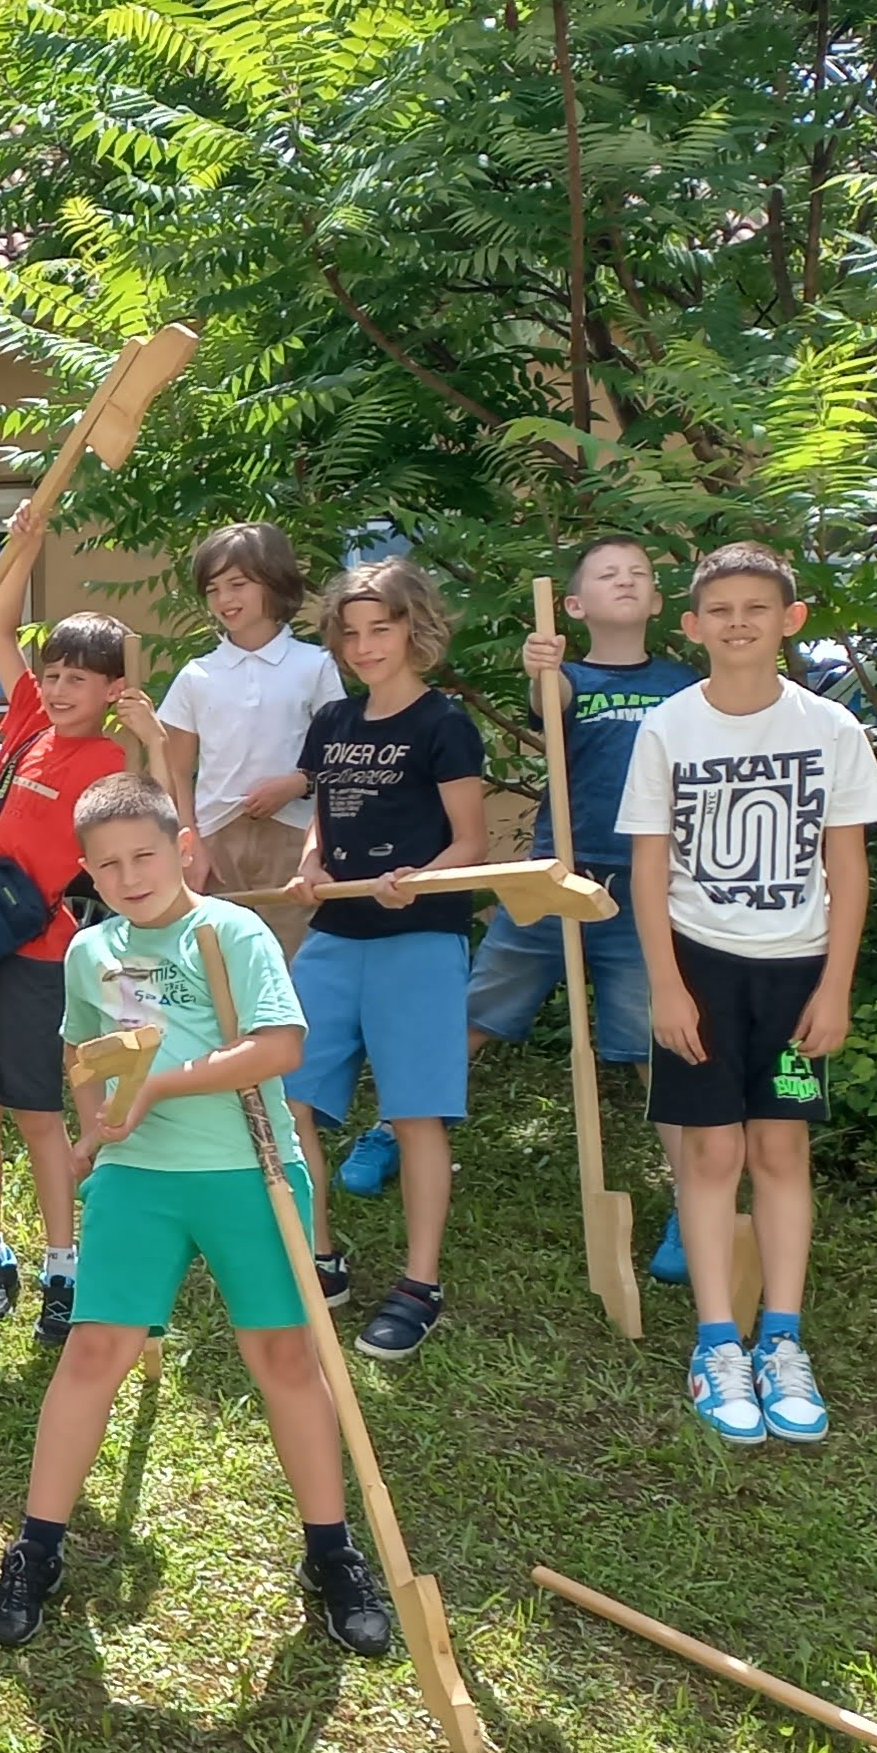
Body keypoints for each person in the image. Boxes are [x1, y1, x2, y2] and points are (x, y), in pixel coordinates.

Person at [0, 780, 403, 1661]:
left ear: (181, 850)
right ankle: (36, 1548)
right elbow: (86, 1048)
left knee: (285, 1356)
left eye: (144, 855)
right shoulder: (93, 950)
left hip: (250, 1169)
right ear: (87, 873)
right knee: (94, 1350)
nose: (129, 876)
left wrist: (162, 1086)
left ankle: (331, 1552)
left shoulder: (230, 932)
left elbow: (279, 1046)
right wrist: (96, 1124)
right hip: (140, 1177)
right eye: (108, 865)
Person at [620, 542, 877, 1448]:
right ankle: (716, 1345)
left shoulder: (832, 728)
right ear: (692, 626)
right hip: (698, 966)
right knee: (709, 1155)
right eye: (722, 609)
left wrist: (836, 986)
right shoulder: (669, 728)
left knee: (780, 1150)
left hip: (797, 971)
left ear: (790, 620)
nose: (739, 623)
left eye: (757, 608)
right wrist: (666, 986)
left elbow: (848, 868)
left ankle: (781, 1339)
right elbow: (647, 869)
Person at [0, 532, 164, 1340]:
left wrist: (152, 743)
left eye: (79, 678)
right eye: (54, 674)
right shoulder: (28, 721)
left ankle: (63, 1267)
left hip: (35, 952)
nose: (60, 688)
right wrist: (22, 549)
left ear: (112, 690)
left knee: (36, 1110)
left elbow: (153, 836)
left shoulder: (107, 758)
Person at [472, 531, 699, 1282]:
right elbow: (552, 704)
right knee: (480, 1007)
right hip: (558, 874)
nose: (625, 580)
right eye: (607, 574)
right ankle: (393, 1128)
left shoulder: (682, 687)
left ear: (658, 601)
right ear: (575, 604)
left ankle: (690, 1200)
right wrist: (542, 668)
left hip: (642, 887)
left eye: (639, 573)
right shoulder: (565, 675)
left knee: (654, 1044)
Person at [284, 558, 487, 1363]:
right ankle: (320, 1257)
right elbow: (323, 819)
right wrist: (310, 863)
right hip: (335, 937)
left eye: (381, 629)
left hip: (420, 938)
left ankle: (419, 1285)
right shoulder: (333, 721)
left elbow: (470, 842)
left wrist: (419, 880)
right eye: (351, 633)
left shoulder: (444, 724)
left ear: (414, 629)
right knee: (288, 1098)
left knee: (414, 1113)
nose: (365, 646)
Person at [154, 524, 337, 956]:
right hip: (215, 840)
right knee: (221, 963)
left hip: (294, 836)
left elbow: (337, 759)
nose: (224, 599)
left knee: (291, 963)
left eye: (237, 584)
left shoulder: (315, 664)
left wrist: (295, 783)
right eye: (213, 589)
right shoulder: (197, 675)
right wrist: (190, 842)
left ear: (273, 582)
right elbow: (175, 769)